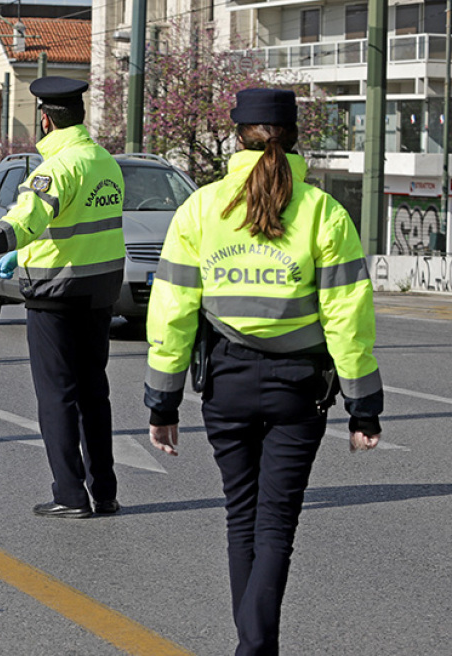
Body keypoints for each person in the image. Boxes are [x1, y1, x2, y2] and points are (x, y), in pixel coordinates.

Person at [143, 88, 382, 655]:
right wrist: (363, 406)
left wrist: (163, 401)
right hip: (298, 390)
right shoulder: (323, 211)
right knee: (276, 526)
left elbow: (172, 310)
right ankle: (255, 649)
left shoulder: (201, 208)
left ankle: (254, 648)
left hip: (226, 383)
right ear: (295, 137)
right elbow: (347, 318)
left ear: (236, 135)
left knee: (240, 520)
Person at [0, 77, 126, 519]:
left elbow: (25, 218)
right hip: (99, 291)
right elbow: (70, 224)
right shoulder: (105, 162)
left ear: (46, 119)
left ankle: (70, 495)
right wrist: (22, 255)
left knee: (57, 396)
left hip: (56, 294)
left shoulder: (56, 168)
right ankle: (104, 492)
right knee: (94, 393)